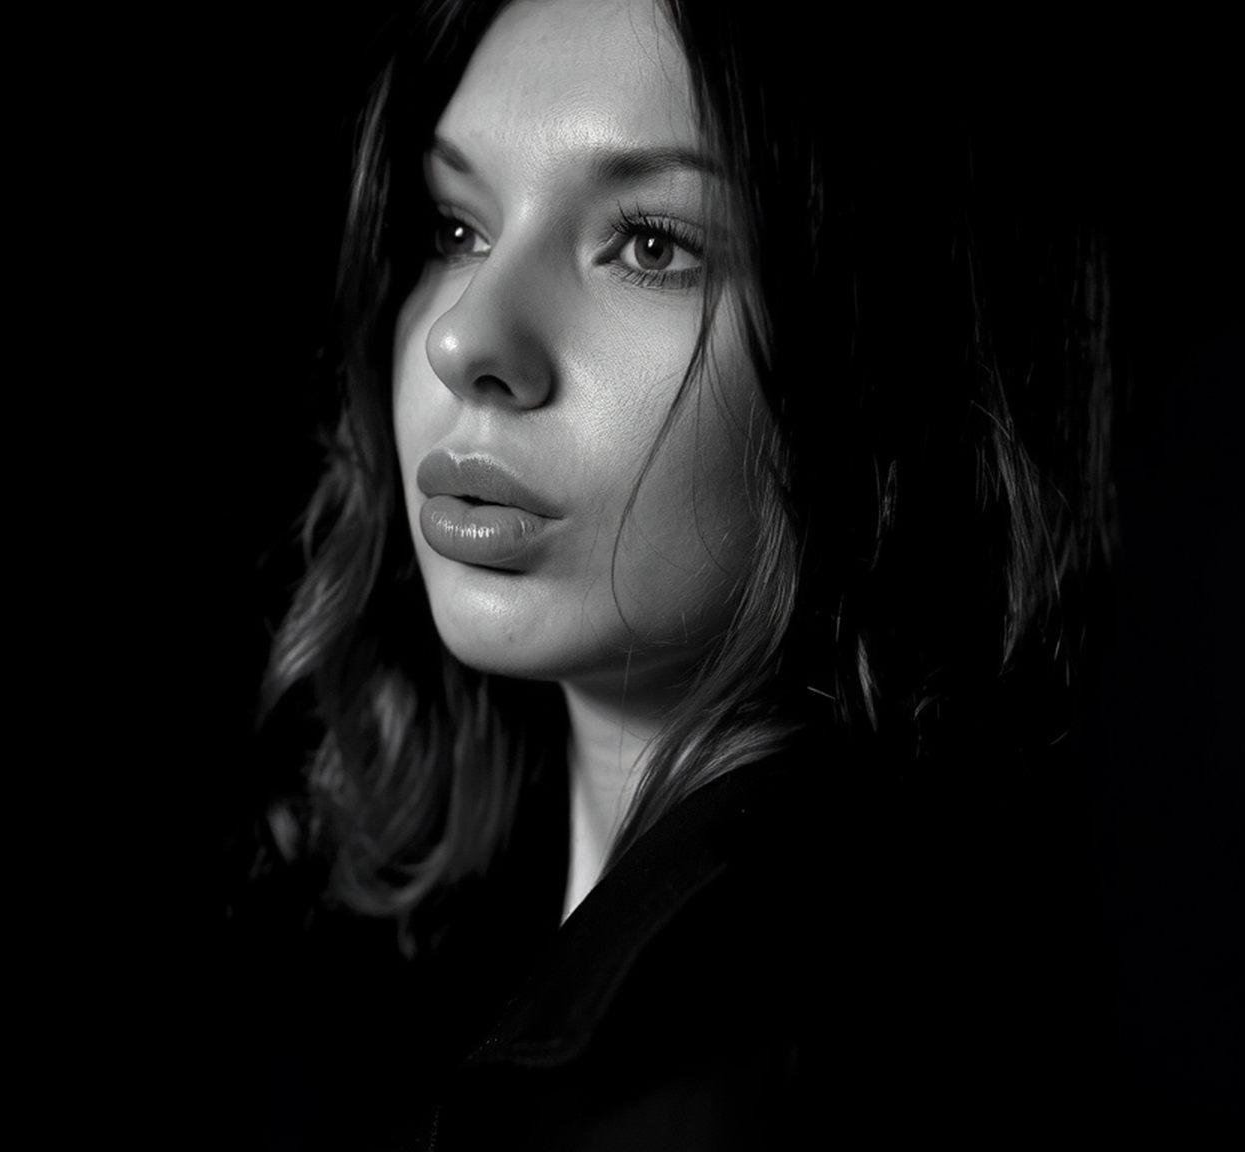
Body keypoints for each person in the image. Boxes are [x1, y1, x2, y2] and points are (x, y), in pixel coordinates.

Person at [232, 0, 1117, 1146]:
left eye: (652, 246)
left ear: (884, 359)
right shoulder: (511, 982)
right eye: (457, 228)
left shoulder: (741, 1070)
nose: (466, 339)